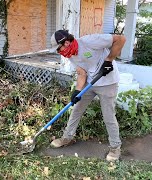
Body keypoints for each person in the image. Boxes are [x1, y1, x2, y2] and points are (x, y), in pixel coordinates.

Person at [49, 30, 126, 161]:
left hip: (108, 83)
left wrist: (109, 60)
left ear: (66, 43)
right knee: (76, 110)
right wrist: (78, 91)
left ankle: (115, 147)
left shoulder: (90, 41)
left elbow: (121, 39)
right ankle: (67, 138)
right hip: (90, 82)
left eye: (58, 48)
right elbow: (81, 73)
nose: (58, 52)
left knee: (108, 115)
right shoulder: (70, 54)